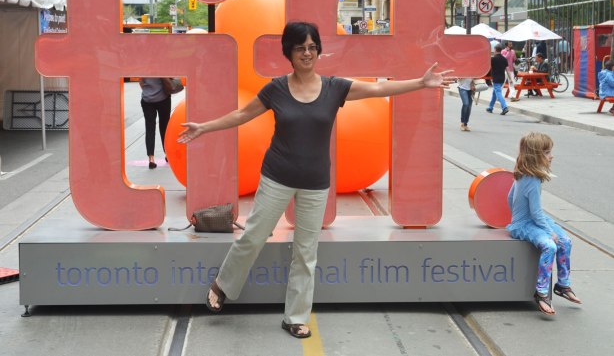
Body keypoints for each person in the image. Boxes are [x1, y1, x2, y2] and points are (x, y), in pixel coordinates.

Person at [177, 22, 455, 338]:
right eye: (300, 48)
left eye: (312, 47)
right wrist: (205, 127)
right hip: (277, 175)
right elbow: (242, 115)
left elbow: (379, 89)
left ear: (318, 50)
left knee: (306, 252)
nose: (307, 53)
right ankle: (223, 284)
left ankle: (295, 316)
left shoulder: (334, 88)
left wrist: (421, 83)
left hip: (315, 181)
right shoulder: (276, 89)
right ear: (289, 53)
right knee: (253, 235)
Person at [507, 132, 581, 315]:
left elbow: (510, 197)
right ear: (536, 156)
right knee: (551, 246)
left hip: (533, 221)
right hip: (524, 224)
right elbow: (535, 212)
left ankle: (563, 285)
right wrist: (548, 231)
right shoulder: (531, 180)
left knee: (566, 241)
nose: (552, 155)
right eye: (547, 152)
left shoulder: (523, 173)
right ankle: (541, 292)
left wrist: (516, 213)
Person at [139, 78, 171, 169]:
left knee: (149, 128)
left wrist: (149, 92)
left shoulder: (144, 67)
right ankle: (168, 155)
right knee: (165, 128)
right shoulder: (162, 66)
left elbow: (141, 82)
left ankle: (151, 158)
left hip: (147, 100)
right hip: (163, 99)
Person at [486, 44, 509, 115]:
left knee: (498, 92)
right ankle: (490, 107)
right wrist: (510, 78)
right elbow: (507, 69)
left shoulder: (493, 59)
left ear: (495, 50)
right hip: (502, 78)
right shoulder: (504, 59)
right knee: (494, 93)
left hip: (496, 77)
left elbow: (488, 67)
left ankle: (504, 107)